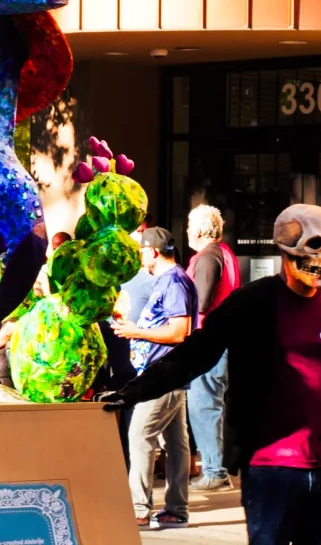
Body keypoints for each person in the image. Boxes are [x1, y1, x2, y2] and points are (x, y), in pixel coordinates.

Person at [102, 204, 321, 545]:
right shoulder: (252, 304)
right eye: (317, 245)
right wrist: (134, 391)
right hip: (270, 469)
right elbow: (196, 353)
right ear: (285, 248)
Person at [109, 226, 198, 529]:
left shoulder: (173, 281)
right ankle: (176, 508)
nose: (139, 257)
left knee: (139, 434)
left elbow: (179, 331)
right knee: (176, 442)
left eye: (141, 251)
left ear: (153, 251)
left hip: (163, 374)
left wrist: (136, 332)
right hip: (166, 372)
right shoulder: (170, 280)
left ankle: (138, 508)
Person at [185, 203, 241, 491]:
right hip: (223, 340)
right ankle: (217, 467)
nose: (186, 232)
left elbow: (201, 302)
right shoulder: (225, 254)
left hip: (210, 341)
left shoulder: (207, 258)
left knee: (203, 406)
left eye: (188, 226)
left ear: (198, 230)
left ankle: (214, 470)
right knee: (213, 406)